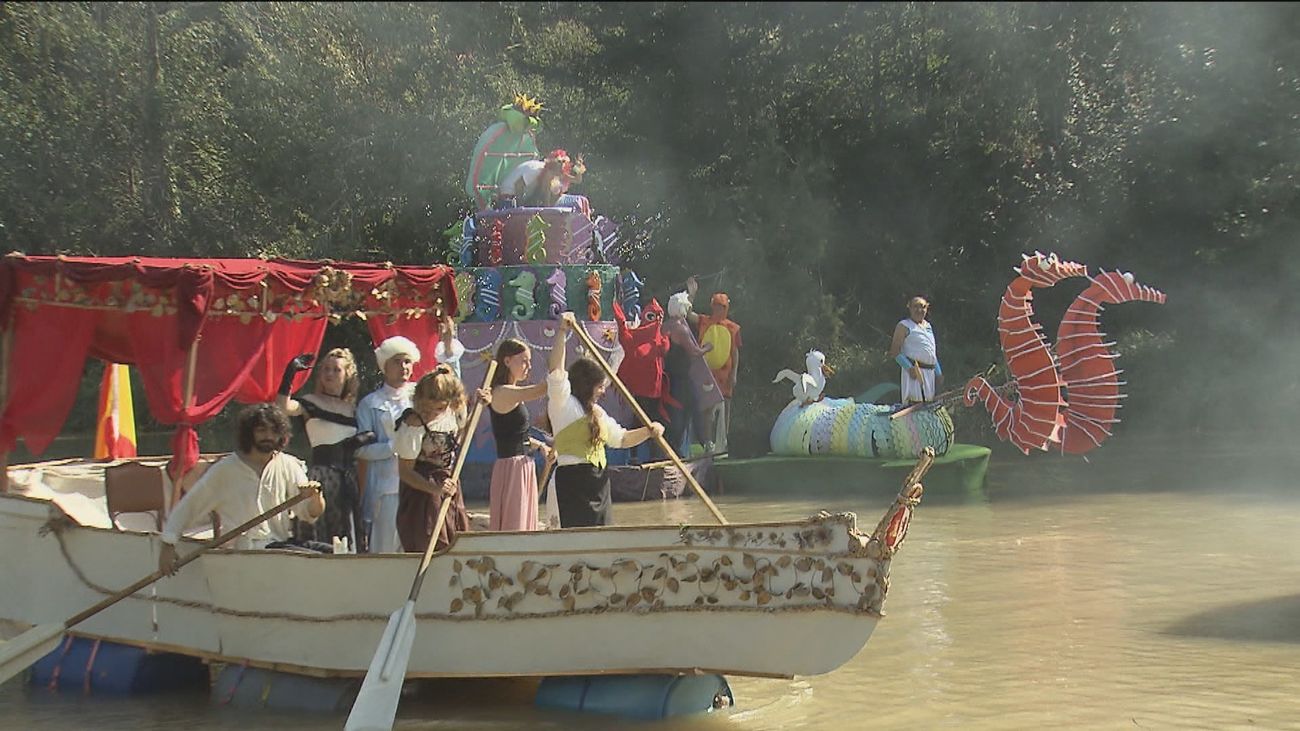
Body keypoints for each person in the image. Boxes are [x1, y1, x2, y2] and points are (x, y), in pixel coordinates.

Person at [158, 403, 324, 574]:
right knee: (312, 561)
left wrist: (315, 497)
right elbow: (190, 506)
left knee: (330, 553)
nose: (268, 436)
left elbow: (309, 513)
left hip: (280, 547)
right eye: (261, 430)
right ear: (249, 433)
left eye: (274, 431)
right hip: (246, 552)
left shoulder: (288, 464)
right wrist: (168, 544)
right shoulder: (225, 470)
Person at [546, 312, 663, 528]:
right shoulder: (563, 403)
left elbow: (622, 439)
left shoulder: (598, 413)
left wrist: (648, 431)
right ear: (587, 384)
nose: (602, 391)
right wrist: (562, 332)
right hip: (571, 484)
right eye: (599, 386)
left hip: (598, 484)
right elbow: (556, 372)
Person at [276, 348, 376, 551]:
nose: (329, 374)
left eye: (336, 370)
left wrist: (362, 440)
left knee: (348, 537)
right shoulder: (312, 402)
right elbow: (282, 407)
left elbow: (372, 436)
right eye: (326, 369)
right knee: (319, 537)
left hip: (347, 478)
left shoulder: (354, 409)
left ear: (347, 375)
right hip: (322, 476)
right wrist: (290, 373)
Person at [394, 364, 471, 553]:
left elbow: (460, 437)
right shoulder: (413, 424)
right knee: (429, 543)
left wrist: (480, 405)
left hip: (449, 483)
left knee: (457, 540)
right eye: (425, 407)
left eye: (437, 408)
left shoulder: (453, 413)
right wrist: (435, 489)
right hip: (422, 492)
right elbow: (404, 472)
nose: (430, 413)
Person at [354, 336, 420, 553]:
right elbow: (362, 449)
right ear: (385, 366)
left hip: (420, 485)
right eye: (397, 361)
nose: (404, 367)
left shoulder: (421, 397)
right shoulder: (370, 404)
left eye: (407, 361)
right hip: (387, 488)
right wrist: (395, 446)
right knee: (386, 549)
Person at [487, 338, 555, 531]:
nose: (528, 366)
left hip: (523, 465)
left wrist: (541, 445)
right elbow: (540, 390)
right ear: (507, 361)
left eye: (530, 361)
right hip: (512, 468)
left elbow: (517, 435)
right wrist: (556, 370)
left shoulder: (513, 393)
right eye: (524, 360)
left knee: (526, 523)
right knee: (514, 524)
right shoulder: (502, 392)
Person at [685, 277, 741, 453]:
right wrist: (691, 294)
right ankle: (708, 442)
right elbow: (687, 314)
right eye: (716, 305)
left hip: (725, 375)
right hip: (707, 374)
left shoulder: (733, 328)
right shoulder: (704, 321)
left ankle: (723, 442)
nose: (719, 309)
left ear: (726, 308)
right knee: (707, 408)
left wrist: (734, 374)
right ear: (712, 306)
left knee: (726, 407)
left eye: (722, 306)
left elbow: (735, 352)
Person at [612, 299, 670, 464]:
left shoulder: (658, 337)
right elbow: (626, 338)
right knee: (639, 421)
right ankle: (635, 455)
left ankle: (653, 454)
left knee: (653, 421)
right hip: (641, 389)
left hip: (655, 389)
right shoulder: (638, 336)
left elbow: (664, 349)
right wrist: (621, 321)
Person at [662, 291, 714, 458]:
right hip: (681, 378)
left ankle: (674, 448)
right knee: (694, 408)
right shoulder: (681, 329)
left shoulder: (665, 326)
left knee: (675, 412)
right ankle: (704, 443)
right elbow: (694, 352)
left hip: (667, 376)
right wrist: (707, 347)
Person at [887, 296, 943, 404]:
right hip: (915, 373)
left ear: (927, 308)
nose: (919, 310)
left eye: (922, 307)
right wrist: (909, 368)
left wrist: (938, 373)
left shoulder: (928, 326)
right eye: (915, 307)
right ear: (909, 308)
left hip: (930, 375)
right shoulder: (904, 325)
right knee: (915, 404)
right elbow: (895, 351)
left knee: (929, 405)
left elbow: (931, 353)